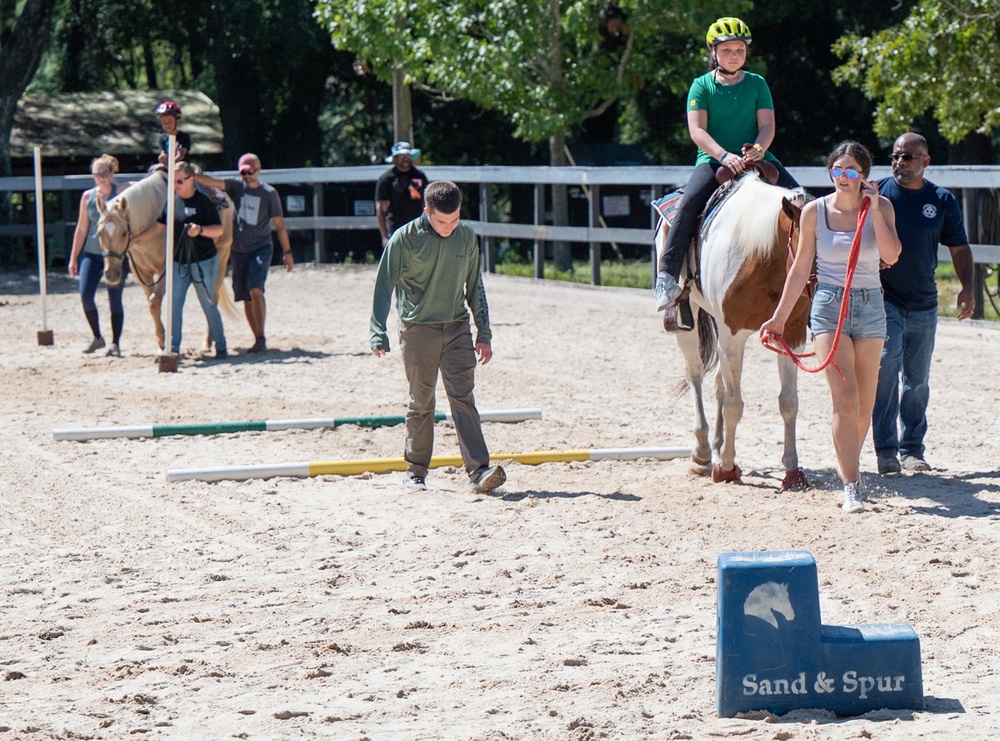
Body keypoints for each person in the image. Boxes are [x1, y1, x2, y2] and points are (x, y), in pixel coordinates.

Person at [761, 141, 901, 514]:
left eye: (852, 171)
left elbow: (891, 255)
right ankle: (852, 484)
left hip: (871, 304)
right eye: (838, 170)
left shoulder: (882, 207)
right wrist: (778, 318)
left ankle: (847, 465)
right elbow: (799, 268)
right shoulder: (813, 212)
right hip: (828, 306)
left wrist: (871, 212)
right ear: (830, 173)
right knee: (846, 397)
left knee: (864, 406)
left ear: (864, 177)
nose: (843, 177)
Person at [654, 17, 799, 313]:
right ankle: (667, 277)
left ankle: (820, 279)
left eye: (740, 50)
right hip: (713, 160)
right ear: (714, 52)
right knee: (687, 207)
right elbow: (697, 131)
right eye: (727, 49)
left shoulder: (757, 84)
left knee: (802, 205)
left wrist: (759, 149)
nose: (734, 55)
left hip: (757, 158)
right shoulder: (701, 86)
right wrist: (723, 156)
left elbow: (767, 125)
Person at [370, 180, 506, 494]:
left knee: (463, 399)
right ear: (426, 211)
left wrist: (483, 333)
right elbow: (383, 286)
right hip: (418, 331)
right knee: (421, 403)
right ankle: (416, 471)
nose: (449, 226)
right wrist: (378, 332)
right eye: (442, 221)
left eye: (455, 219)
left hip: (457, 328)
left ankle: (479, 470)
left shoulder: (467, 237)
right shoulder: (403, 240)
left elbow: (475, 286)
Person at [872, 132, 976, 475]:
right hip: (885, 298)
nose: (900, 162)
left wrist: (968, 287)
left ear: (925, 161)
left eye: (908, 157)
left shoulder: (942, 200)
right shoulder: (877, 193)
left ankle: (912, 449)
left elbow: (959, 248)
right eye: (896, 156)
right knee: (886, 368)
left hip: (924, 302)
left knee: (917, 380)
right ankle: (886, 450)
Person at [194, 153, 293, 353]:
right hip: (238, 251)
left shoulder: (269, 194)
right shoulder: (236, 187)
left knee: (256, 289)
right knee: (245, 295)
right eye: (243, 172)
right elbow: (212, 181)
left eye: (250, 171)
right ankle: (256, 336)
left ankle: (261, 335)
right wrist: (191, 174)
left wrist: (287, 251)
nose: (247, 175)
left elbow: (280, 225)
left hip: (260, 247)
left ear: (259, 170)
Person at [133, 161, 227, 359]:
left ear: (191, 179)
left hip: (204, 261)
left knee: (208, 304)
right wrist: (135, 239)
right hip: (179, 262)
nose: (175, 185)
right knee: (174, 305)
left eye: (180, 181)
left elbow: (218, 230)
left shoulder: (203, 202)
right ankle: (173, 347)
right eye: (173, 181)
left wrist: (200, 230)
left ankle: (221, 345)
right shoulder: (171, 202)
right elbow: (158, 227)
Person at [68, 154, 129, 357]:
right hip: (93, 253)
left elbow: (141, 188)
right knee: (85, 294)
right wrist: (73, 256)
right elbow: (82, 228)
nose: (101, 177)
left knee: (114, 298)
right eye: (97, 174)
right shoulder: (88, 197)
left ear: (112, 173)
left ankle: (115, 342)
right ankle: (97, 336)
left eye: (105, 173)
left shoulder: (122, 193)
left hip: (116, 254)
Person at [375, 141, 428, 248]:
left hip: (417, 227)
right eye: (402, 155)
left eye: (408, 155)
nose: (405, 158)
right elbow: (381, 210)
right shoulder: (386, 179)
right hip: (395, 228)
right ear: (395, 157)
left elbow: (425, 203)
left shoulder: (418, 176)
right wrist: (384, 237)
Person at [156, 101, 191, 166]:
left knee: (180, 167)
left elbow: (181, 154)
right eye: (164, 121)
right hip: (168, 164)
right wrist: (162, 157)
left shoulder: (184, 136)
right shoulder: (162, 138)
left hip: (182, 165)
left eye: (170, 120)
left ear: (177, 121)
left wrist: (171, 163)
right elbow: (162, 152)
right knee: (154, 168)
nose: (167, 124)